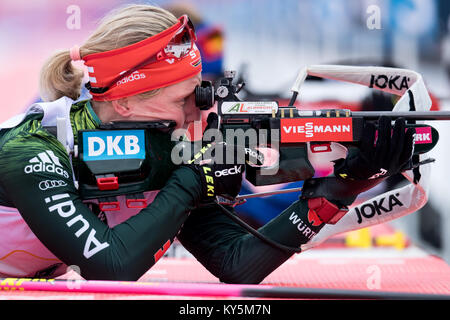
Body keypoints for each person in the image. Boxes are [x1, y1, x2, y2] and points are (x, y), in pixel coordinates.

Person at [0, 4, 414, 282]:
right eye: (187, 100)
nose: (202, 113)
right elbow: (111, 268)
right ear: (125, 103)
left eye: (202, 94)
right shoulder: (32, 148)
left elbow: (235, 265)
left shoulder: (163, 146)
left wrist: (342, 188)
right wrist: (193, 181)